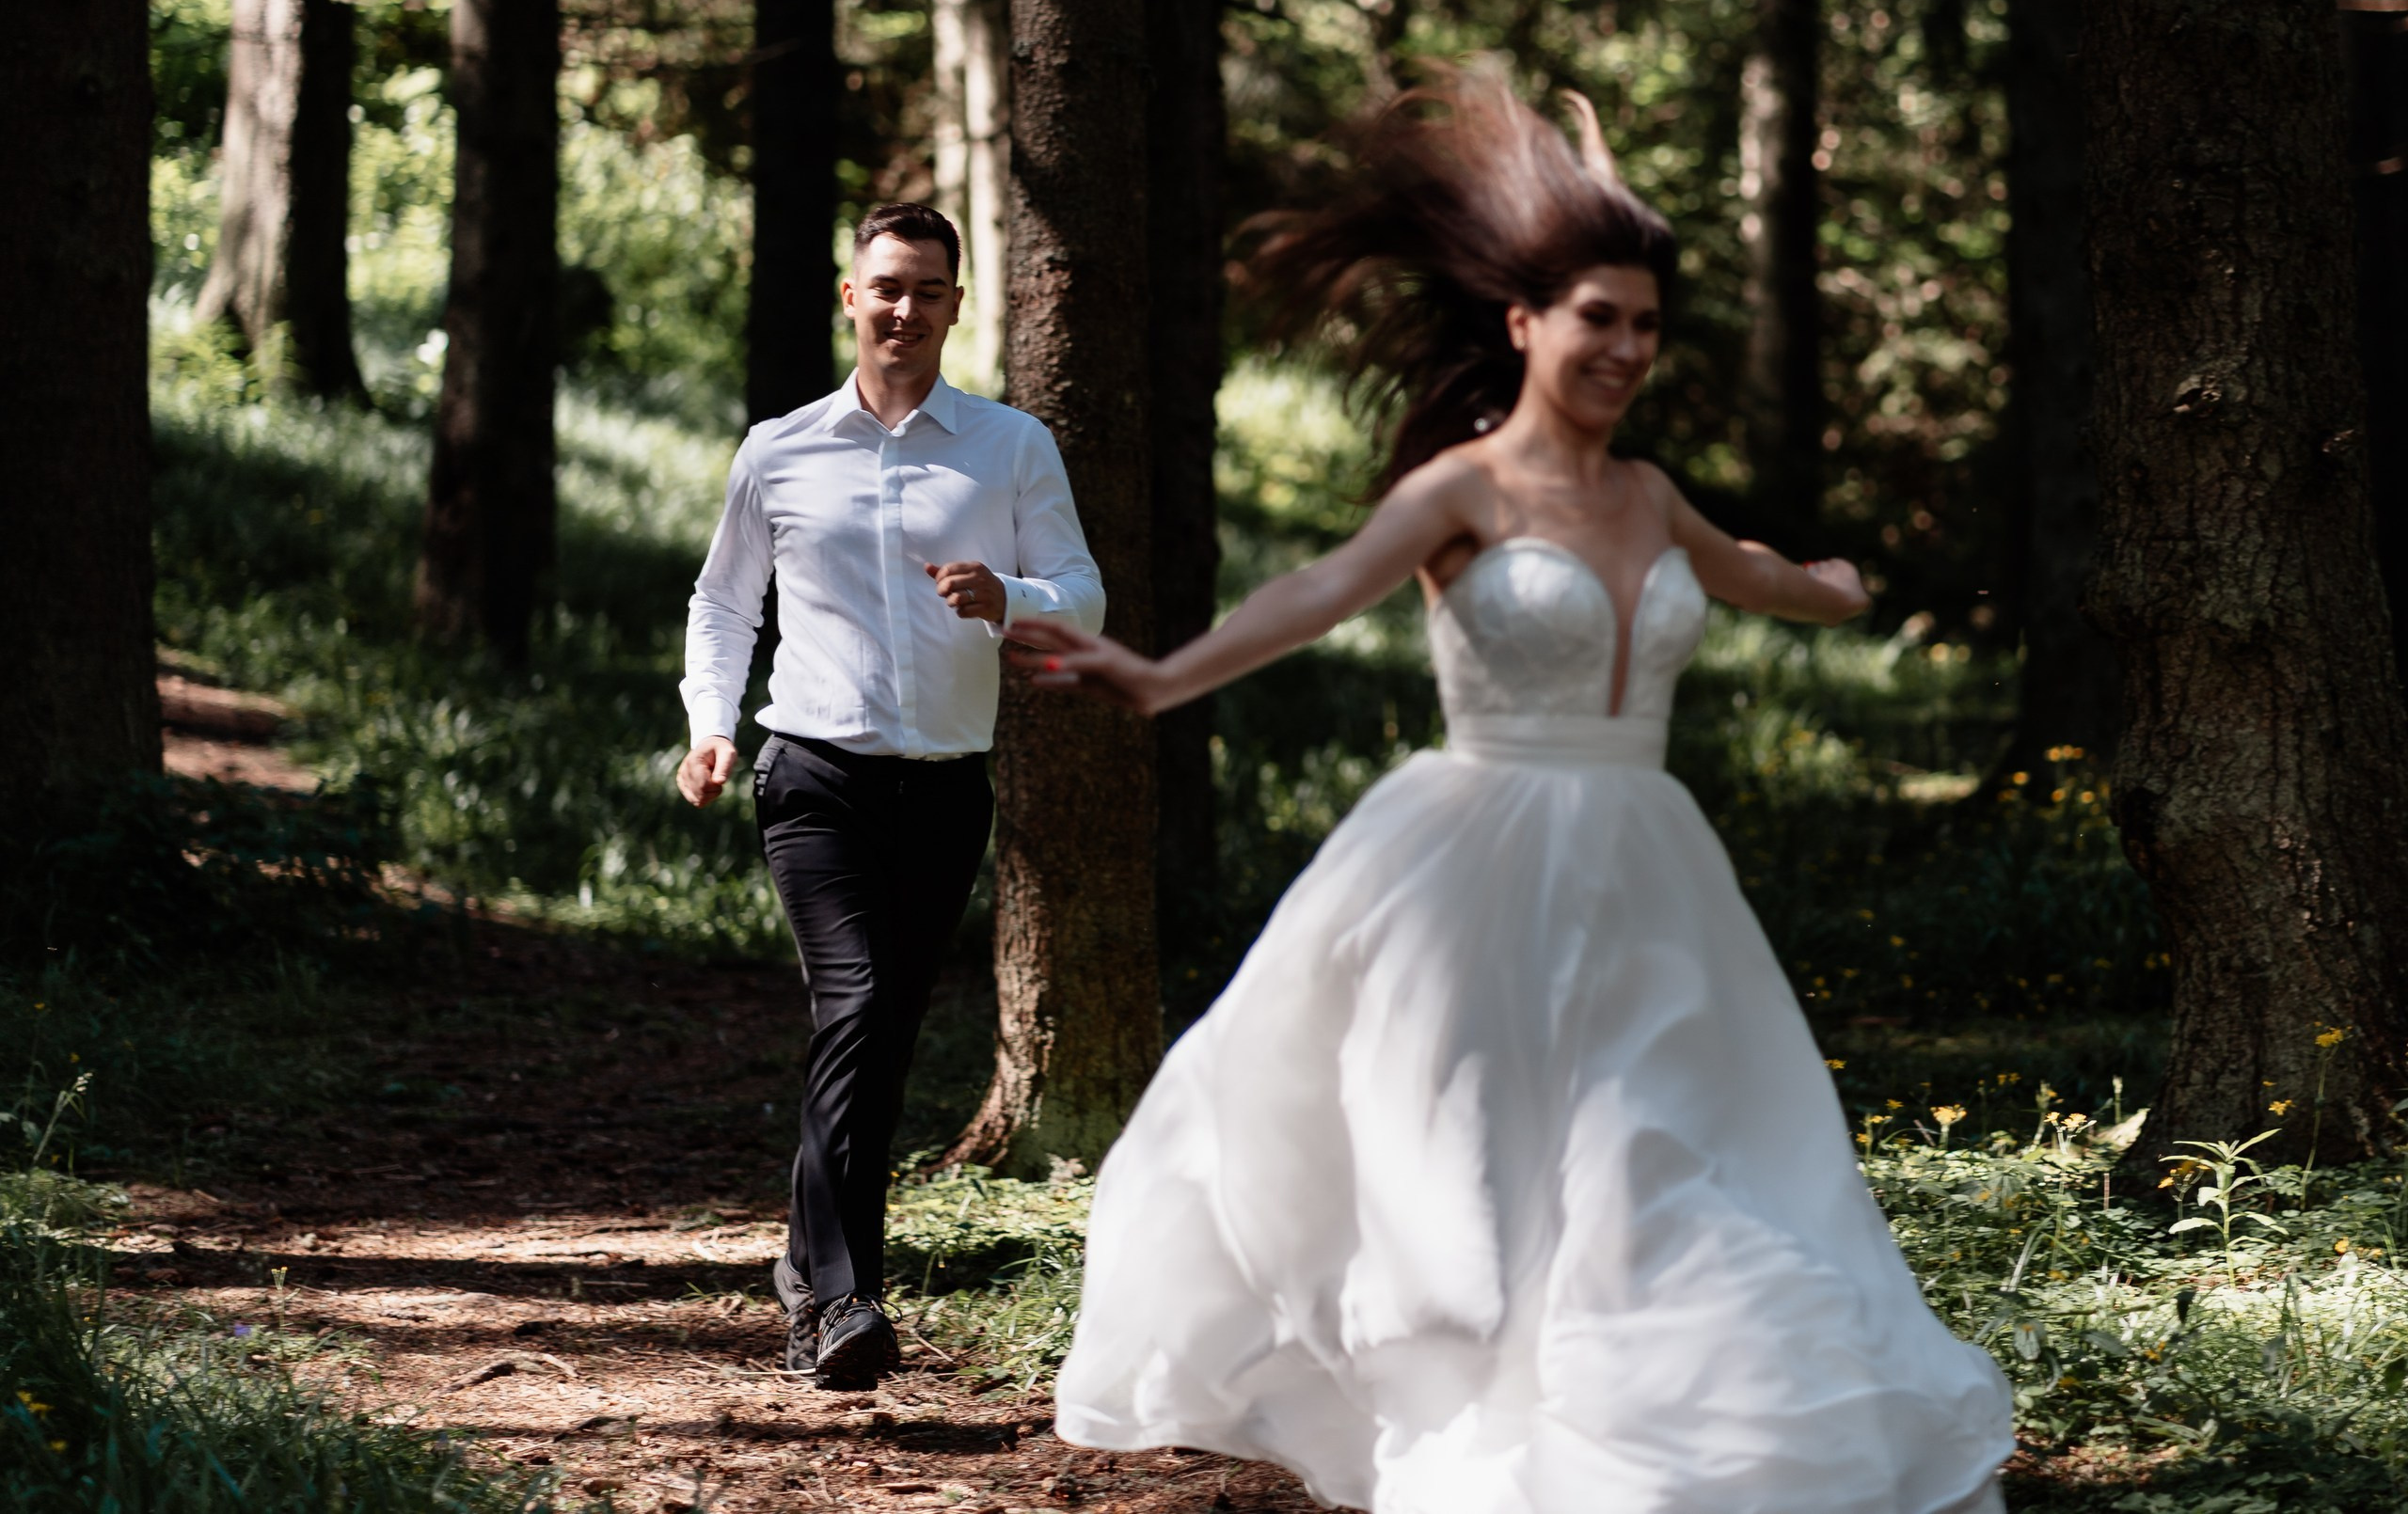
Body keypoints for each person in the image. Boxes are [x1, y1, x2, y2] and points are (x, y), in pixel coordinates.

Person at [1006, 73, 2015, 1512]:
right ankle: (1484, 1434)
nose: (1626, 345)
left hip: (1650, 869)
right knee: (1483, 1184)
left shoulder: (1653, 494)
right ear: (1526, 322)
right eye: (1600, 315)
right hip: (1476, 868)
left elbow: (1762, 574)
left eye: (1648, 324)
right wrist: (1164, 677)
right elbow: (1319, 585)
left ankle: (1658, 1437)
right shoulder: (1462, 490)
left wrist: (1843, 592)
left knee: (1664, 1154)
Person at [676, 201, 1104, 1389]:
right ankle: (847, 1299)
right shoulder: (779, 448)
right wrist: (711, 728)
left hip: (944, 786)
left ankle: (809, 1285)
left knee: (874, 1040)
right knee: (858, 1009)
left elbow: (1086, 596)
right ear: (849, 297)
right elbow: (724, 604)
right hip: (811, 774)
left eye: (926, 289)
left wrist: (1009, 598)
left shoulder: (1010, 447)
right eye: (885, 287)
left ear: (957, 307)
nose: (903, 309)